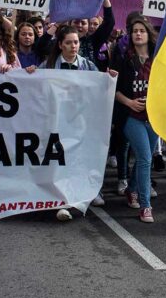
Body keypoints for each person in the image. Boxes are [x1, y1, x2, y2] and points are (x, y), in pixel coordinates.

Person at [42, 24, 112, 219]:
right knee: (60, 162)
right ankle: (62, 203)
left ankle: (86, 194)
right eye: (69, 43)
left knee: (79, 160)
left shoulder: (88, 65)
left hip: (81, 121)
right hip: (57, 121)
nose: (74, 46)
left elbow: (100, 87)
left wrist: (108, 79)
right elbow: (34, 85)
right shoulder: (48, 65)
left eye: (76, 42)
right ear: (60, 45)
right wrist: (29, 72)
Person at [113, 18, 159, 223]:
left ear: (149, 34)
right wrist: (130, 103)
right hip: (131, 117)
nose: (138, 34)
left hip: (155, 117)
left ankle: (131, 189)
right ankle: (145, 206)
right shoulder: (125, 59)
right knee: (145, 158)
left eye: (142, 31)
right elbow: (114, 90)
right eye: (134, 31)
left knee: (144, 159)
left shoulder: (159, 60)